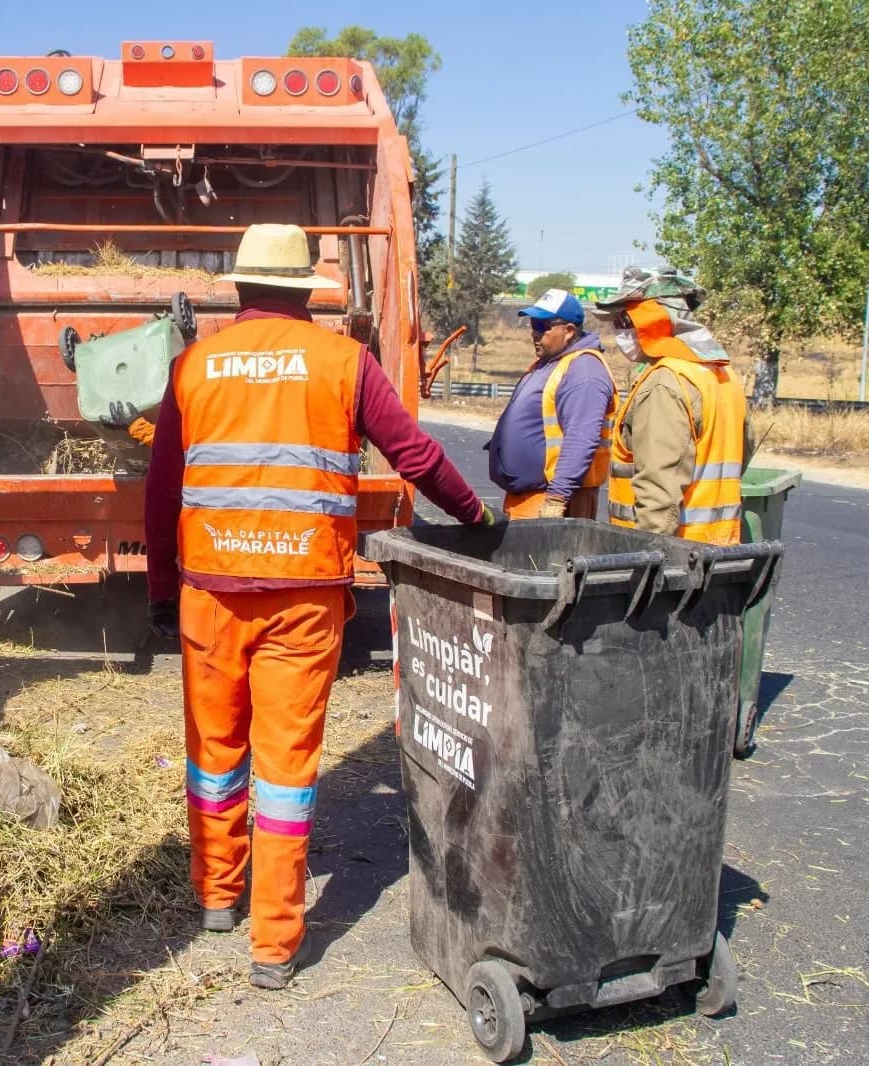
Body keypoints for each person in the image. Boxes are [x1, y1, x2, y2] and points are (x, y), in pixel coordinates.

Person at [145, 223, 493, 990]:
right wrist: (477, 520)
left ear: (238, 288)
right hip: (304, 600)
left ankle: (216, 894)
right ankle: (274, 945)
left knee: (214, 753)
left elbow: (162, 486)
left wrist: (161, 592)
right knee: (286, 767)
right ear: (307, 291)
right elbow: (417, 458)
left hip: (210, 595)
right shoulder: (344, 362)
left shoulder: (193, 365)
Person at [592, 267, 753, 544]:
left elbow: (658, 492)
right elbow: (743, 451)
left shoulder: (665, 384)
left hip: (677, 558)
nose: (619, 331)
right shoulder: (723, 375)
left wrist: (645, 562)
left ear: (653, 318)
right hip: (721, 548)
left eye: (625, 320)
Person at [488, 288, 617, 518]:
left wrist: (557, 498)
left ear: (568, 331)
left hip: (554, 503)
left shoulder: (583, 371)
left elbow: (581, 438)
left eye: (541, 325)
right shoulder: (550, 363)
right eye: (532, 325)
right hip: (527, 500)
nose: (534, 334)